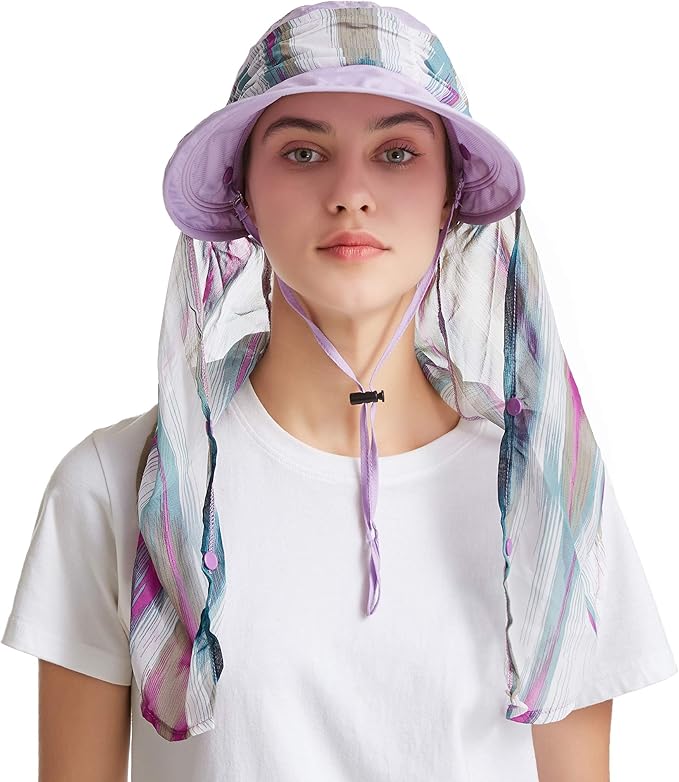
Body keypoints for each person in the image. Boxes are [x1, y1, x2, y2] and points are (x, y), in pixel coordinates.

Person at [2, 2, 677, 780]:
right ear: (243, 195)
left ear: (450, 195)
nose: (351, 192)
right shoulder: (116, 484)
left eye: (396, 153)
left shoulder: (547, 494)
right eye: (302, 153)